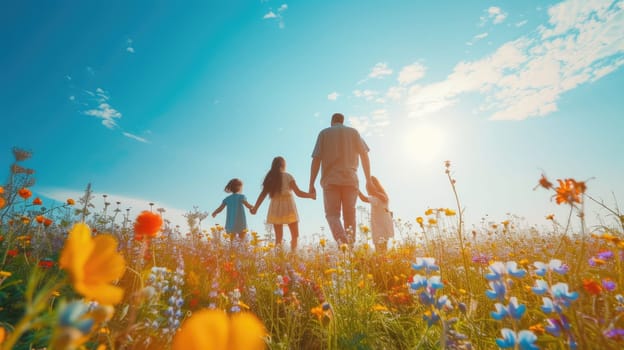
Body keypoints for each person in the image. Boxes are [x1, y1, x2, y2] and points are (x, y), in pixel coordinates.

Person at [309, 112, 372, 245]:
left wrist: (311, 184)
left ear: (332, 121)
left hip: (331, 180)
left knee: (332, 215)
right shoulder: (354, 132)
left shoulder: (324, 133)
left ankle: (342, 243)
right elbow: (364, 155)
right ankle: (350, 246)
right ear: (342, 121)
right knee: (350, 215)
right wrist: (368, 179)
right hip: (351, 179)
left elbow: (316, 160)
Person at [251, 156, 313, 252]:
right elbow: (298, 193)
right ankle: (293, 256)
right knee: (295, 235)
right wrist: (311, 195)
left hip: (275, 207)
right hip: (288, 205)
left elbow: (262, 195)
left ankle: (278, 259)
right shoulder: (288, 176)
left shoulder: (270, 178)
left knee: (278, 238)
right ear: (283, 165)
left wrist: (255, 208)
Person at [358, 176, 394, 252]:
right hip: (385, 228)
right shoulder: (383, 196)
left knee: (380, 252)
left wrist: (356, 188)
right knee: (384, 250)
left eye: (367, 187)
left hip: (379, 229)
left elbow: (363, 198)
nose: (366, 188)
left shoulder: (376, 198)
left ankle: (383, 263)